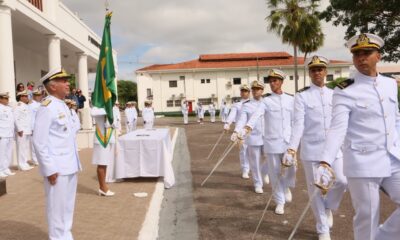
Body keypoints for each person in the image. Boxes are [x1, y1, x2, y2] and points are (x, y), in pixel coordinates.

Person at [319, 33, 400, 240]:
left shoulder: (390, 84)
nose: (361, 58)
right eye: (357, 54)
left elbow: (395, 120)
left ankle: (382, 237)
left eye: (367, 53)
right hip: (363, 162)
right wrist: (326, 160)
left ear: (378, 56)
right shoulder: (345, 90)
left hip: (392, 158)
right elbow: (337, 128)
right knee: (367, 216)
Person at [285, 55, 347, 240]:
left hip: (334, 150)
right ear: (309, 73)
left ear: (326, 72)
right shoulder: (302, 96)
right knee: (315, 192)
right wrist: (291, 148)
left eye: (320, 69)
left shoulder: (336, 93)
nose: (317, 72)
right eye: (313, 70)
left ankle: (329, 206)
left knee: (342, 181)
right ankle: (322, 229)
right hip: (312, 150)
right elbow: (298, 125)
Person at [33, 68, 81, 240]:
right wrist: (49, 168)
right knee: (56, 209)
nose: (68, 83)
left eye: (67, 80)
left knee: (67, 207)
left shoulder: (63, 105)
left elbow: (72, 133)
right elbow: (39, 141)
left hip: (70, 165)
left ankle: (66, 235)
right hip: (57, 168)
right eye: (63, 81)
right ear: (52, 86)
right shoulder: (47, 107)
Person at [243, 70, 295, 214]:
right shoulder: (266, 101)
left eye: (275, 81)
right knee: (275, 173)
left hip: (288, 142)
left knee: (292, 169)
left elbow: (296, 120)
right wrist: (248, 127)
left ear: (281, 82)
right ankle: (279, 201)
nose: (272, 83)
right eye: (270, 81)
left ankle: (286, 186)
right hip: (272, 143)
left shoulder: (291, 99)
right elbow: (256, 115)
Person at [233, 80, 266, 193]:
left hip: (268, 137)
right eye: (254, 89)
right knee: (255, 162)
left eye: (258, 89)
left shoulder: (267, 102)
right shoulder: (247, 105)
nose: (256, 91)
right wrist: (237, 131)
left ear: (262, 91)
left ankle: (265, 172)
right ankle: (258, 183)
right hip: (253, 137)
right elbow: (242, 120)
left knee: (271, 160)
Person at [224, 84, 251, 179]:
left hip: (253, 131)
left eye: (246, 91)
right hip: (241, 131)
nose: (244, 93)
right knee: (243, 151)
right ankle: (245, 169)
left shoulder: (254, 103)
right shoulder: (237, 105)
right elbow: (232, 115)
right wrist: (228, 123)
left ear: (249, 93)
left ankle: (254, 169)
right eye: (242, 91)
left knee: (254, 152)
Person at [91, 107, 116, 197]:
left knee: (105, 163)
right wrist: (107, 110)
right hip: (101, 139)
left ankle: (103, 186)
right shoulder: (97, 108)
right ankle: (102, 187)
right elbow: (94, 113)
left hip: (108, 138)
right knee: (101, 163)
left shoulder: (109, 107)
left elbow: (114, 122)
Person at [14, 90, 34, 171]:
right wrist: (19, 129)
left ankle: (25, 162)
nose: (27, 98)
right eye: (25, 96)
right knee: (21, 148)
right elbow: (16, 118)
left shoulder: (27, 106)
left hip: (27, 129)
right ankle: (21, 164)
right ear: (21, 97)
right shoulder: (18, 106)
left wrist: (31, 129)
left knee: (25, 147)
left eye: (27, 96)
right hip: (22, 130)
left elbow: (29, 119)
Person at [0, 92, 16, 178]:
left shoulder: (9, 108)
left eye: (7, 98)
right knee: (1, 153)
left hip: (9, 133)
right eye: (5, 98)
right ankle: (0, 170)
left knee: (8, 152)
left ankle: (6, 168)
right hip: (2, 134)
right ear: (0, 99)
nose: (7, 100)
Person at [28, 89, 44, 165]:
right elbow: (31, 117)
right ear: (34, 96)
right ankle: (35, 160)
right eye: (37, 95)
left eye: (40, 95)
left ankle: (39, 158)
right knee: (34, 145)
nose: (39, 97)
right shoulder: (31, 105)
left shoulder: (40, 104)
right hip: (34, 127)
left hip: (40, 127)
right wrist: (31, 128)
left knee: (40, 143)